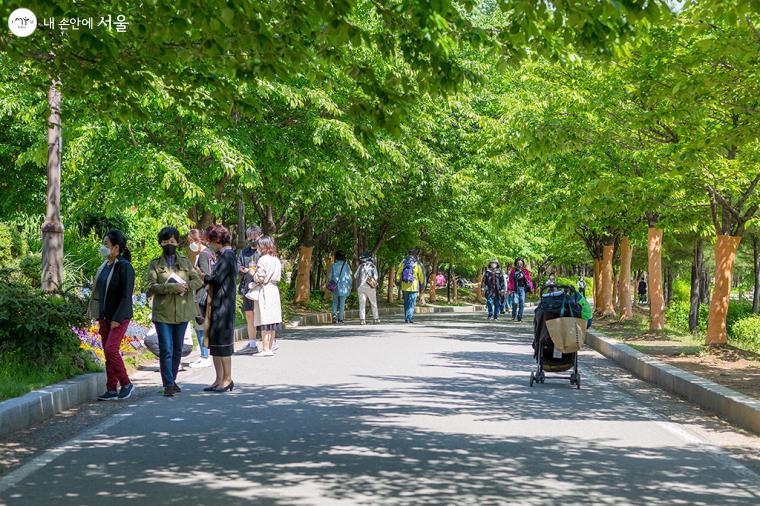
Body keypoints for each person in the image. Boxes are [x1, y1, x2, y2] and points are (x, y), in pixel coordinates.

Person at [147, 227, 202, 397]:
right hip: (163, 313)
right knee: (166, 349)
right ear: (160, 243)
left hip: (182, 312)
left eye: (172, 241)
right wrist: (171, 287)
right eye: (165, 241)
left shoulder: (185, 262)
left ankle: (172, 379)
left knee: (177, 349)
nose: (168, 244)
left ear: (177, 243)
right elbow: (150, 287)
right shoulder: (155, 264)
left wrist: (185, 287)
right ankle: (168, 384)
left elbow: (198, 280)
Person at [88, 230, 136, 401]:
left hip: (119, 316)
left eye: (106, 244)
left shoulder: (125, 266)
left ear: (116, 247)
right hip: (104, 315)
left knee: (111, 349)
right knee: (108, 353)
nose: (103, 247)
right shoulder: (104, 266)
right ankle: (111, 388)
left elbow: (126, 295)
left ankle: (126, 383)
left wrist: (117, 318)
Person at [200, 224, 236, 392]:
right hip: (217, 303)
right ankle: (218, 378)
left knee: (223, 343)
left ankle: (227, 379)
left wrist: (203, 276)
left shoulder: (227, 255)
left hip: (224, 305)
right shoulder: (223, 255)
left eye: (210, 240)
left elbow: (217, 279)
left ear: (218, 240)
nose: (209, 244)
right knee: (215, 343)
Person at [247, 236, 283, 356]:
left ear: (263, 246)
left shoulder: (263, 259)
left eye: (258, 245)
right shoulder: (276, 259)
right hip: (274, 290)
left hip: (265, 291)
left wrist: (253, 273)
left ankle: (265, 349)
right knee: (272, 322)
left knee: (265, 321)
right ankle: (270, 348)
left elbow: (260, 277)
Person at [187, 229, 215, 368]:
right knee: (202, 325)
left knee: (199, 325)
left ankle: (204, 356)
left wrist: (195, 276)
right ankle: (204, 355)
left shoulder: (203, 255)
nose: (190, 245)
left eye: (191, 242)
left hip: (201, 294)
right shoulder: (209, 253)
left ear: (198, 241)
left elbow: (206, 276)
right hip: (206, 294)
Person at [237, 225, 262, 355]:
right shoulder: (244, 252)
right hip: (247, 288)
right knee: (249, 314)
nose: (253, 239)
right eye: (250, 237)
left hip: (261, 288)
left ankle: (270, 342)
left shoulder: (263, 252)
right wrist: (245, 270)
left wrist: (253, 271)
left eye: (255, 236)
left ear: (260, 236)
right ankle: (252, 343)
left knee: (262, 315)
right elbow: (238, 267)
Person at [396, 249, 425, 324]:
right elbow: (421, 276)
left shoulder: (404, 263)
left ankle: (407, 317)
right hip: (414, 286)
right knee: (411, 303)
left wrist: (398, 281)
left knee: (406, 302)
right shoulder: (416, 264)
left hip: (404, 285)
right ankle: (408, 318)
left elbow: (398, 273)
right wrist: (422, 284)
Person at [355, 251, 380, 325]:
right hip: (370, 287)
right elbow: (376, 277)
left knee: (362, 303)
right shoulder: (372, 266)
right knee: (373, 303)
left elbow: (355, 276)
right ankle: (376, 319)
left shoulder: (360, 266)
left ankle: (362, 320)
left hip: (361, 287)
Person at [328, 251, 353, 324]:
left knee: (335, 302)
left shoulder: (333, 265)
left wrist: (330, 283)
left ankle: (334, 316)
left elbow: (330, 277)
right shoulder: (346, 266)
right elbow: (349, 277)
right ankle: (341, 319)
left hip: (335, 286)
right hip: (344, 287)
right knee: (342, 303)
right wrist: (350, 285)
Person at [507, 257, 534, 322]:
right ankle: (513, 316)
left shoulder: (525, 271)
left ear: (523, 264)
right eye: (518, 263)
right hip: (515, 289)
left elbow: (529, 280)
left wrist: (531, 287)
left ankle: (520, 317)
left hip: (523, 289)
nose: (519, 264)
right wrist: (510, 289)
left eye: (521, 263)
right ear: (516, 263)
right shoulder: (513, 271)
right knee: (515, 302)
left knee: (521, 303)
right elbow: (510, 280)